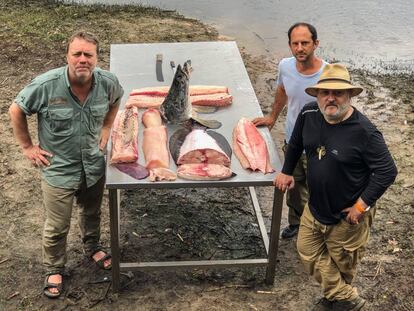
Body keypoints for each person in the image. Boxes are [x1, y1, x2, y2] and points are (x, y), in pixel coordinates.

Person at [9, 31, 124, 298]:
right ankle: (54, 268)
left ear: (96, 58)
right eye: (77, 54)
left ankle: (92, 247)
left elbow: (117, 98)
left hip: (93, 165)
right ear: (68, 57)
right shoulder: (46, 85)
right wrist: (27, 147)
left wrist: (107, 125)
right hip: (59, 170)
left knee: (91, 213)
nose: (82, 59)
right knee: (57, 225)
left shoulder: (108, 82)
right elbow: (16, 109)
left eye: (88, 55)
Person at [274, 63, 397, 310]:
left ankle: (334, 300)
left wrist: (361, 206)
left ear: (349, 95)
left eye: (338, 93)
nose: (330, 98)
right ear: (317, 95)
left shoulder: (365, 132)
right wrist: (287, 171)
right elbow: (296, 143)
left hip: (347, 215)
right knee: (306, 249)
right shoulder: (309, 113)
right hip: (315, 205)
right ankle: (347, 299)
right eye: (324, 92)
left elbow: (387, 171)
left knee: (342, 264)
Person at [253, 22, 327, 239]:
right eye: (295, 43)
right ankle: (296, 223)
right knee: (293, 188)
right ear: (290, 45)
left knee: (319, 189)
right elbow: (282, 90)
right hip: (293, 141)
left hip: (320, 146)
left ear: (316, 44)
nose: (300, 48)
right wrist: (272, 117)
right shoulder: (285, 66)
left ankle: (317, 229)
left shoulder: (328, 73)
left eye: (305, 43)